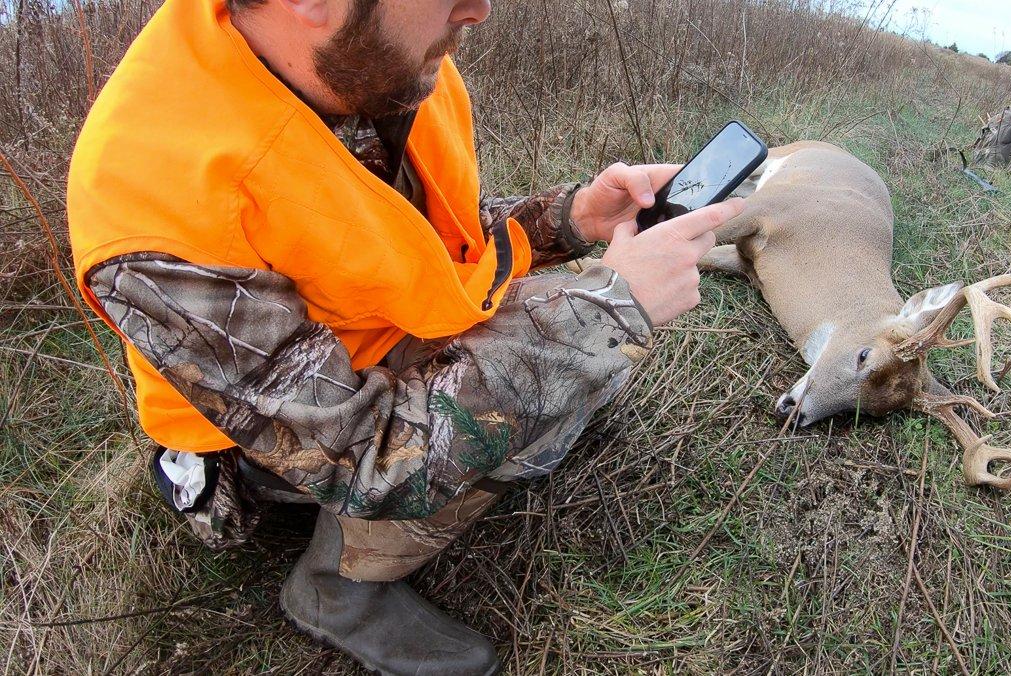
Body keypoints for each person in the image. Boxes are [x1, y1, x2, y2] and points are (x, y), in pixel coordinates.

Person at [66, 0, 745, 673]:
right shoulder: (153, 199)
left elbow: (413, 239)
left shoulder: (377, 54)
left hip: (363, 345)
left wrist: (572, 217)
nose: (478, 10)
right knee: (575, 346)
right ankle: (338, 587)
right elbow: (367, 458)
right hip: (249, 454)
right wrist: (602, 311)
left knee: (576, 346)